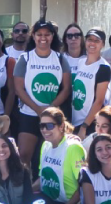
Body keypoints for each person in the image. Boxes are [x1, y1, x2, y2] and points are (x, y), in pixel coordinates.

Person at [13, 21, 71, 163]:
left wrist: (50, 109)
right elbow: (19, 89)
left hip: (53, 116)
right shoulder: (24, 58)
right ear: (33, 36)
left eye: (47, 34)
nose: (43, 38)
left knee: (51, 156)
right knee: (24, 156)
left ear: (52, 36)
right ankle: (26, 185)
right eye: (39, 34)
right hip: (29, 113)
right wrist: (38, 109)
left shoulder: (60, 58)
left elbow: (67, 88)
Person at [34, 107, 86, 204]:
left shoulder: (73, 148)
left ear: (61, 126)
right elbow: (42, 178)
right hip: (50, 199)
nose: (45, 130)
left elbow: (84, 186)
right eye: (42, 126)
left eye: (50, 126)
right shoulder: (46, 145)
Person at [68, 28, 111, 136]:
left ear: (102, 44)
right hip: (75, 120)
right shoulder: (81, 62)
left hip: (91, 123)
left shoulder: (103, 67)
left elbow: (99, 101)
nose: (92, 43)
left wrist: (84, 126)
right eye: (89, 39)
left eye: (96, 41)